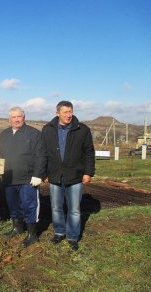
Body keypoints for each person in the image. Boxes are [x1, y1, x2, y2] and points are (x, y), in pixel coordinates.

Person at [42, 101, 95, 251]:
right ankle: (59, 232)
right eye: (65, 112)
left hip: (76, 175)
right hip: (55, 175)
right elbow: (44, 153)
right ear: (57, 113)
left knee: (74, 209)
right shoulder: (48, 130)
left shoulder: (82, 129)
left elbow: (89, 153)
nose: (68, 115)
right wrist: (44, 172)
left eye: (70, 111)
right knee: (56, 207)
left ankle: (72, 236)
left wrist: (88, 172)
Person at [0, 107, 46, 248]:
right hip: (9, 177)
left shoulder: (33, 134)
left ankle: (32, 234)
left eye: (19, 116)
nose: (16, 119)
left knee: (29, 205)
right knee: (13, 205)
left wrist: (38, 174)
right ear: (9, 119)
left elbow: (41, 155)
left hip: (27, 179)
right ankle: (17, 228)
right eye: (13, 117)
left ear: (24, 118)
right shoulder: (5, 134)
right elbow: (0, 155)